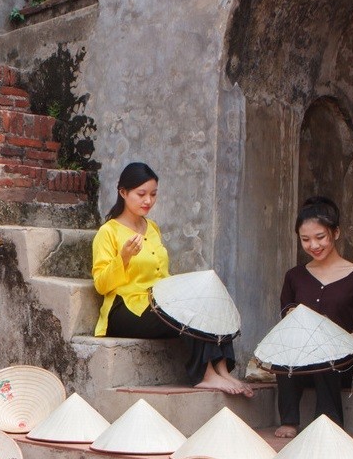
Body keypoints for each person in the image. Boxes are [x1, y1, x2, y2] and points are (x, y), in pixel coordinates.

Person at [92, 162, 252, 396]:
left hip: (157, 301)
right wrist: (123, 258)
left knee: (207, 297)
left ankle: (222, 369)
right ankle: (205, 375)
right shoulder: (109, 232)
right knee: (186, 312)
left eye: (153, 194)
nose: (148, 201)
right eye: (141, 194)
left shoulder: (152, 228)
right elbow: (101, 284)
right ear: (123, 192)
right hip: (126, 308)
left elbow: (161, 275)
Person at [273, 196, 353, 438]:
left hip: (343, 364)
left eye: (320, 237)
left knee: (326, 350)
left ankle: (328, 423)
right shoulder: (294, 276)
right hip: (302, 364)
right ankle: (289, 420)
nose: (313, 245)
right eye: (305, 239)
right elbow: (285, 319)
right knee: (284, 351)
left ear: (336, 233)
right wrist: (291, 316)